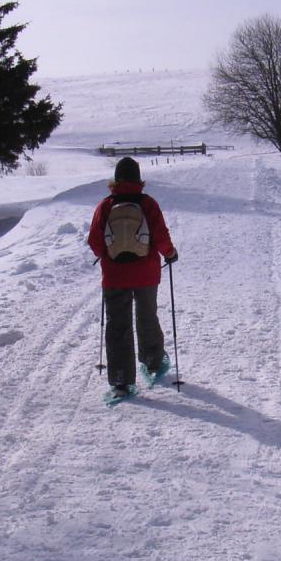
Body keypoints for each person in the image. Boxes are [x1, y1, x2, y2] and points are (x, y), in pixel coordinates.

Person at [88, 156, 178, 399]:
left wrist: (109, 255)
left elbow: (95, 243)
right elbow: (160, 235)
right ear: (139, 179)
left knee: (118, 325)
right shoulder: (148, 203)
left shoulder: (105, 206)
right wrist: (170, 253)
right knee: (147, 315)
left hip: (115, 276)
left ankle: (120, 380)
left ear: (115, 180)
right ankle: (153, 362)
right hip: (146, 273)